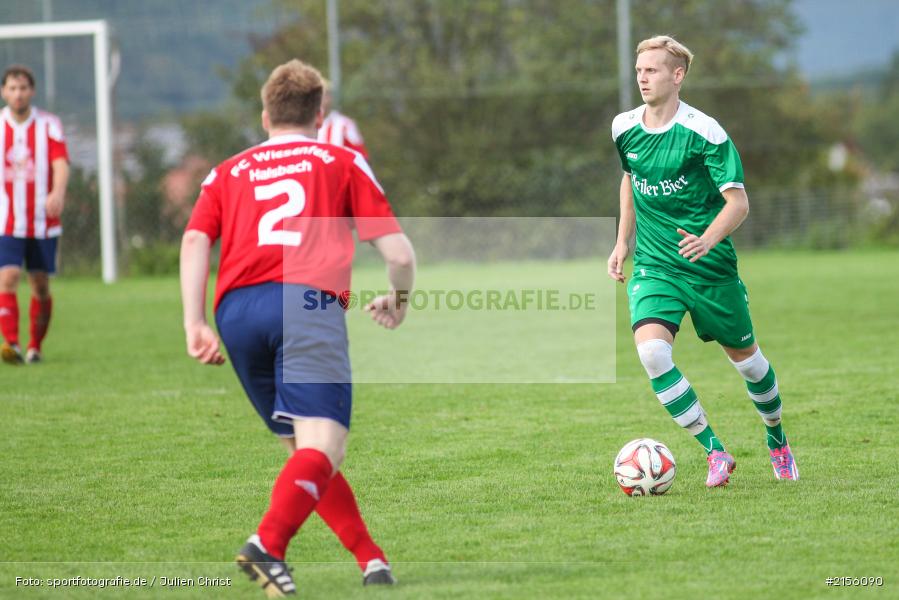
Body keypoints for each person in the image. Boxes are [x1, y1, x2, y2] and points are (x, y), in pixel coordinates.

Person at [180, 59, 416, 596]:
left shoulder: (226, 170)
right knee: (324, 447)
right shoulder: (340, 159)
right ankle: (266, 544)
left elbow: (195, 241)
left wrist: (194, 321)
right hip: (305, 305)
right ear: (320, 111)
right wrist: (399, 299)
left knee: (303, 450)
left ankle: (370, 558)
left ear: (265, 114)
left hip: (236, 312)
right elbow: (398, 252)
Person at [607, 36, 798, 487]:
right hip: (656, 265)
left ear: (678, 76)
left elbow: (739, 202)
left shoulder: (705, 132)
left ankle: (778, 440)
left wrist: (708, 239)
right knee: (653, 352)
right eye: (639, 70)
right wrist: (622, 243)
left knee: (749, 364)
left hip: (710, 268)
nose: (642, 77)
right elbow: (630, 181)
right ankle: (715, 451)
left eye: (652, 70)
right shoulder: (623, 127)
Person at [0, 65, 69, 365]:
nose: (18, 94)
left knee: (40, 284)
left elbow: (60, 162)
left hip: (42, 221)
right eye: (12, 88)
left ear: (32, 91)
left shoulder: (49, 124)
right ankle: (12, 344)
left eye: (23, 88)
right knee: (9, 276)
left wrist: (57, 192)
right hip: (6, 219)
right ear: (4, 92)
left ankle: (34, 346)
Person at [317, 79, 369, 157]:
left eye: (323, 96)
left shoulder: (344, 124)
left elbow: (361, 156)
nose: (319, 100)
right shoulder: (302, 125)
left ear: (330, 98)